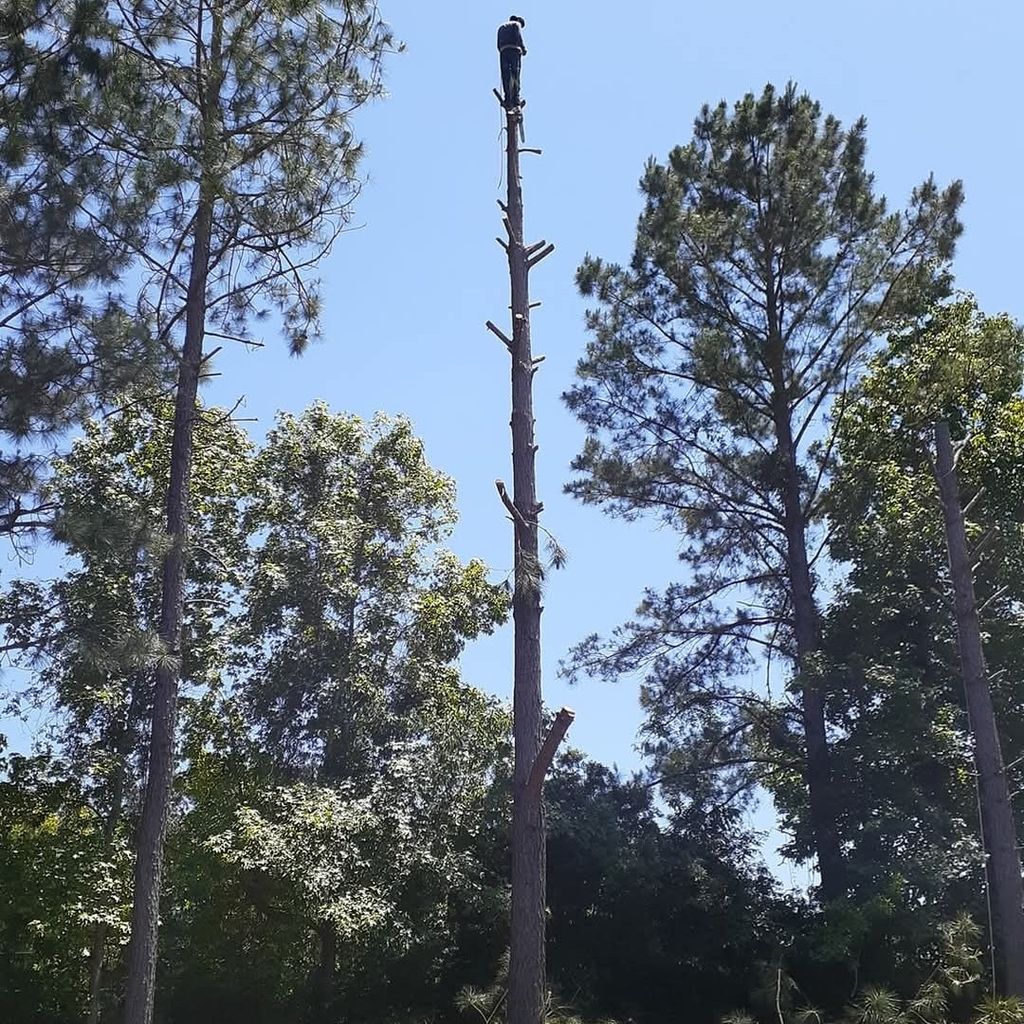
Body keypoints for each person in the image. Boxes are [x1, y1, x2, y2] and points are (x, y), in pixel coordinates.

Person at [497, 15, 526, 109]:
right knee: (515, 74)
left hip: (503, 51)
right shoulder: (516, 24)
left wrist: (502, 50)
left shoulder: (501, 27)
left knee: (505, 75)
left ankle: (507, 99)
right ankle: (516, 100)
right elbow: (518, 35)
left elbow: (498, 44)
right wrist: (523, 48)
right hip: (514, 50)